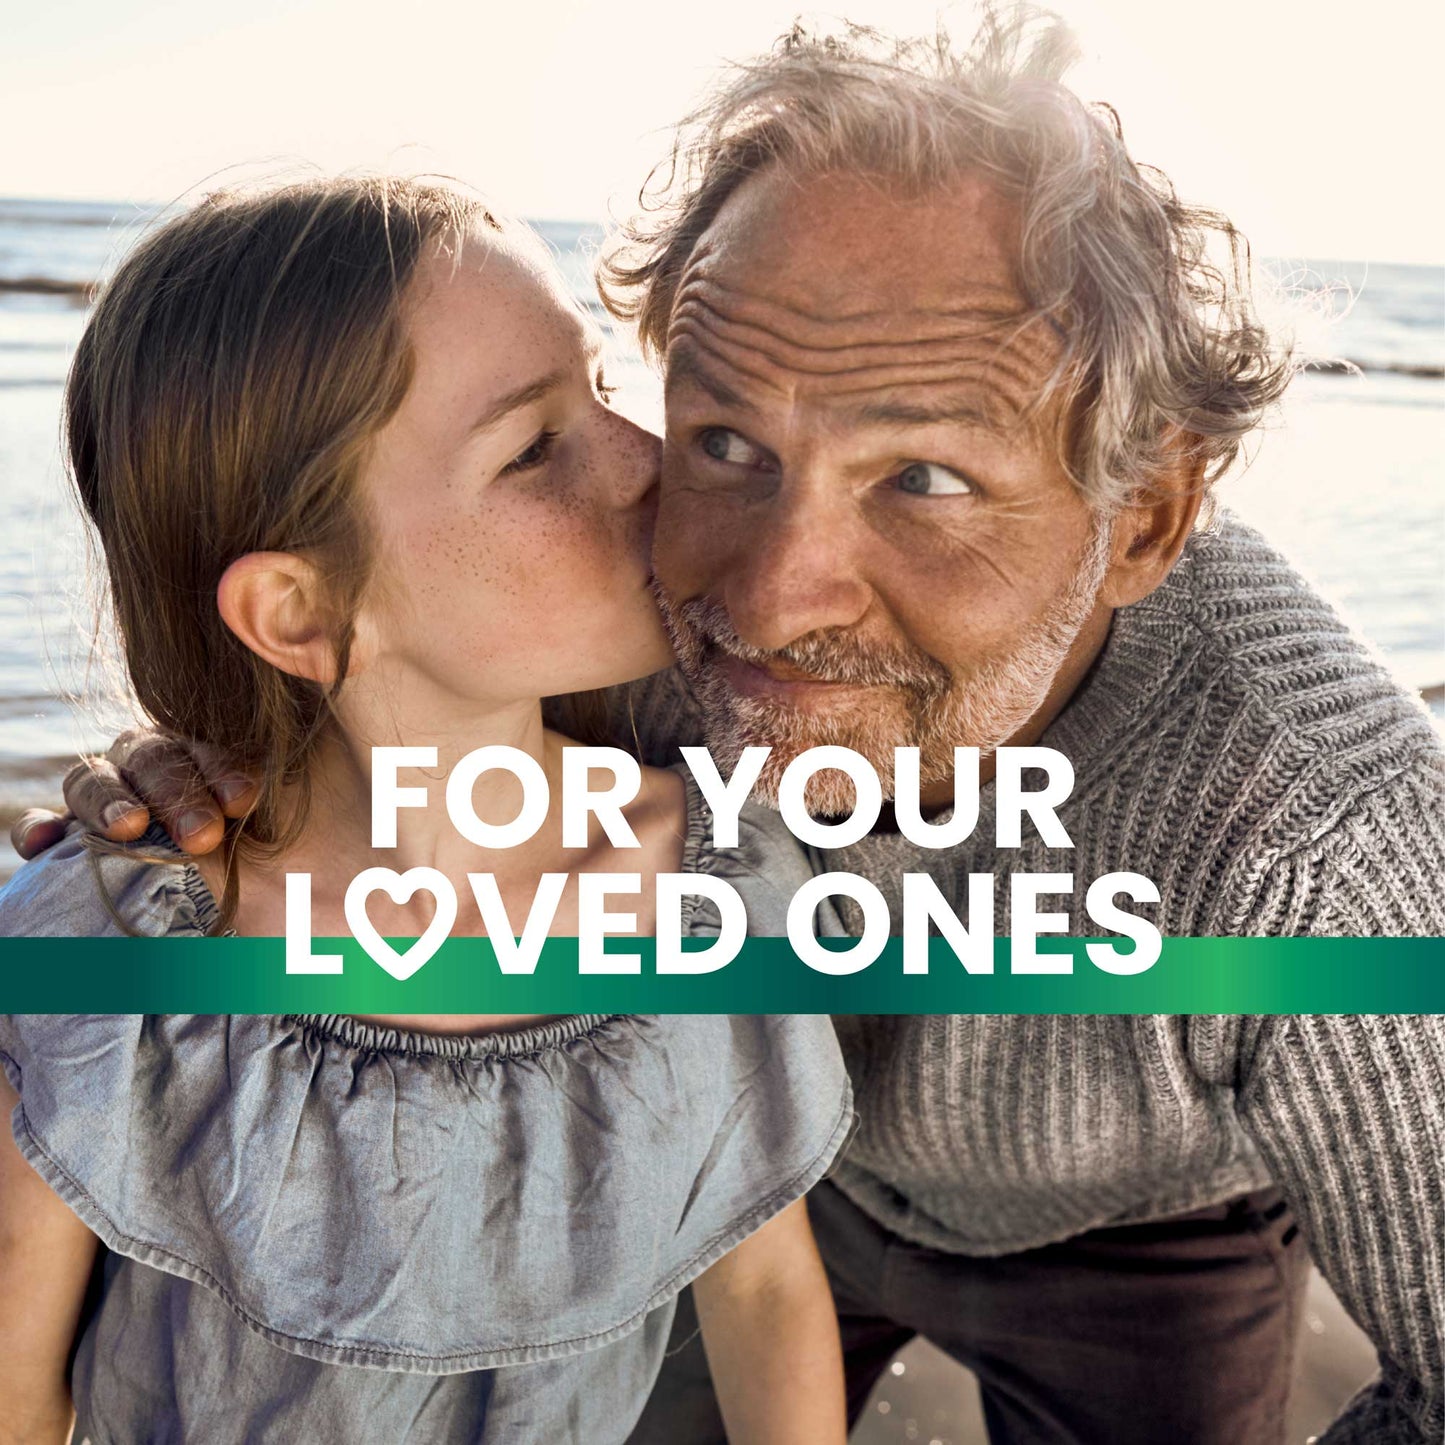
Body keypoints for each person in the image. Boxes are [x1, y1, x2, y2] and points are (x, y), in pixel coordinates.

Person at [21, 11, 1445, 1445]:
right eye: (724, 440)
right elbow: (364, 655)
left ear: (1143, 520)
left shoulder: (1319, 840)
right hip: (741, 1173)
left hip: (1117, 1232)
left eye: (927, 479)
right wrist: (194, 765)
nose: (763, 598)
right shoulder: (631, 587)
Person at [0, 175, 853, 1444]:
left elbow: (763, 1281)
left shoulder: (715, 886)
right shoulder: (113, 957)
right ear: (301, 614)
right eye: (532, 448)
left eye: (600, 391)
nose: (642, 460)